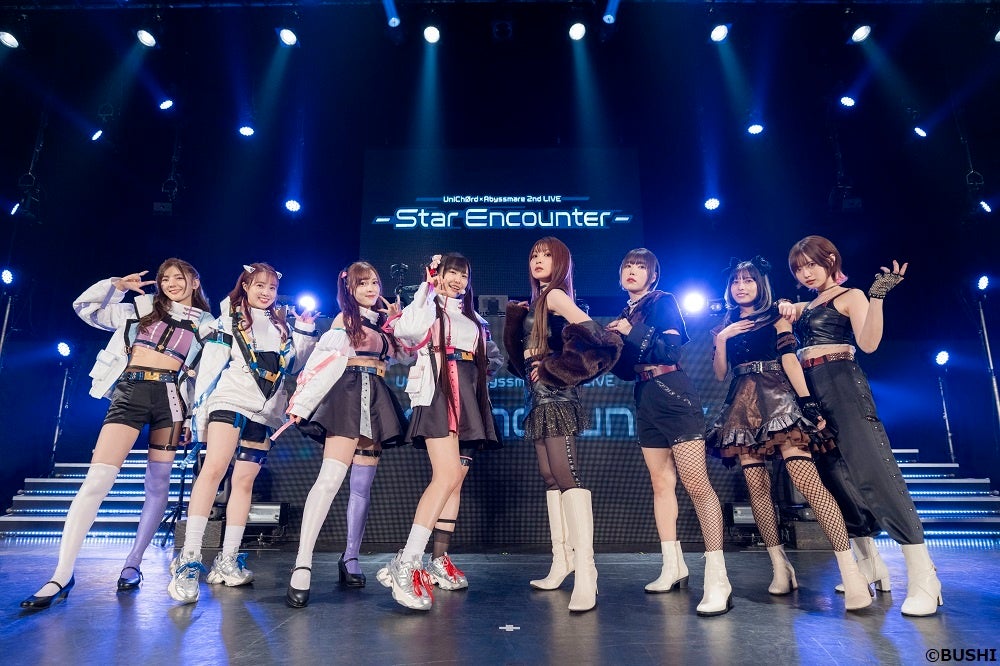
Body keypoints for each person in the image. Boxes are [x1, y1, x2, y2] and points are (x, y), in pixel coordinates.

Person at [21, 259, 214, 610]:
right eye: (165, 279)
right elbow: (86, 308)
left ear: (195, 281)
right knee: (97, 479)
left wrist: (192, 420)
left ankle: (133, 563)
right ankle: (62, 574)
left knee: (158, 484)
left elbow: (204, 376)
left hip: (172, 400)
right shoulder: (141, 307)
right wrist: (115, 285)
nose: (171, 283)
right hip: (130, 391)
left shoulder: (207, 323)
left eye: (179, 277)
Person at [781, 235, 941, 617]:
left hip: (843, 384)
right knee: (837, 479)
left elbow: (869, 343)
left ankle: (924, 577)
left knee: (874, 475)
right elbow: (785, 315)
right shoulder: (806, 305)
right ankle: (869, 564)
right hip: (811, 391)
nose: (806, 273)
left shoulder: (850, 295)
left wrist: (877, 296)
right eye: (799, 268)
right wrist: (786, 306)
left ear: (830, 259)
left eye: (811, 264)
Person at [707, 256, 873, 612]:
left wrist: (808, 402)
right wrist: (721, 338)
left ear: (760, 284)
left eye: (748, 280)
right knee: (757, 490)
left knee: (808, 483)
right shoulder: (724, 324)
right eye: (736, 281)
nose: (741, 286)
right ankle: (780, 567)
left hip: (779, 398)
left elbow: (789, 359)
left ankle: (851, 572)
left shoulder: (777, 315)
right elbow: (720, 374)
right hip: (742, 405)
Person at [167, 263, 318, 604]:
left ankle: (228, 559)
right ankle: (189, 559)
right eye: (259, 285)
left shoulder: (282, 326)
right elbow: (209, 369)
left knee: (245, 481)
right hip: (229, 401)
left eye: (272, 287)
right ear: (246, 286)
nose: (266, 292)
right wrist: (195, 416)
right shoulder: (227, 321)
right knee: (214, 470)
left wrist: (306, 329)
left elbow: (294, 365)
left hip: (265, 413)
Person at [605, 248, 732, 616]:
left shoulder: (663, 301)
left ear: (652, 275)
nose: (632, 270)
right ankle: (672, 566)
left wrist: (631, 331)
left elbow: (671, 349)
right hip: (645, 397)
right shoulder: (626, 313)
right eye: (627, 265)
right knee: (660, 484)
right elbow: (626, 370)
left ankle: (718, 578)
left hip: (674, 394)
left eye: (639, 266)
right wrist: (609, 347)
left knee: (696, 483)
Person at [376, 252, 502, 610]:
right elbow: (406, 330)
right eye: (452, 273)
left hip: (470, 397)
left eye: (463, 275)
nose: (458, 280)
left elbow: (492, 356)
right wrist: (427, 289)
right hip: (439, 392)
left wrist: (483, 368)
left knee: (456, 480)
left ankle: (438, 558)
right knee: (445, 475)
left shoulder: (473, 317)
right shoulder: (428, 306)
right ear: (438, 274)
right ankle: (407, 561)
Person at [503, 237, 622, 612]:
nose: (538, 260)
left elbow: (601, 338)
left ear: (561, 263)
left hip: (556, 394)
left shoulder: (555, 296)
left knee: (566, 476)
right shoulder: (538, 301)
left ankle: (586, 571)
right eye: (533, 255)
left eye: (546, 255)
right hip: (536, 396)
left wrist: (556, 367)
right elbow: (522, 356)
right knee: (550, 477)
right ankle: (562, 561)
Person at [283, 261, 409, 608]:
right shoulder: (344, 320)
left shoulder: (384, 324)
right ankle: (303, 562)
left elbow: (405, 357)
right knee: (329, 479)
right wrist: (302, 401)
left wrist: (398, 322)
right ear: (349, 289)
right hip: (348, 396)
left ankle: (351, 556)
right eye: (362, 283)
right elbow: (318, 364)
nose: (370, 288)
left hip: (376, 399)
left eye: (374, 282)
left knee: (362, 487)